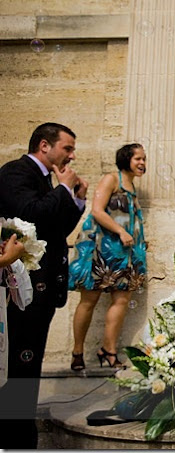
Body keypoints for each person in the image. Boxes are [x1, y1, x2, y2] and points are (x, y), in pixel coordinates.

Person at [0, 122, 87, 448]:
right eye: (67, 147)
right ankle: (15, 437)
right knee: (17, 369)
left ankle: (20, 434)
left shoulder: (45, 180)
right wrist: (63, 189)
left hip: (41, 289)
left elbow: (53, 231)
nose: (72, 155)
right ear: (44, 145)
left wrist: (76, 201)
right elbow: (29, 214)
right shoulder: (15, 173)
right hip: (18, 293)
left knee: (29, 364)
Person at [69, 143, 148, 371]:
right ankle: (77, 351)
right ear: (126, 159)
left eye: (144, 159)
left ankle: (108, 350)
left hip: (126, 253)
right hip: (102, 250)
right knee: (89, 300)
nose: (142, 163)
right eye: (138, 159)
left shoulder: (131, 187)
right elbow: (97, 210)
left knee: (121, 299)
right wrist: (121, 231)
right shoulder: (111, 179)